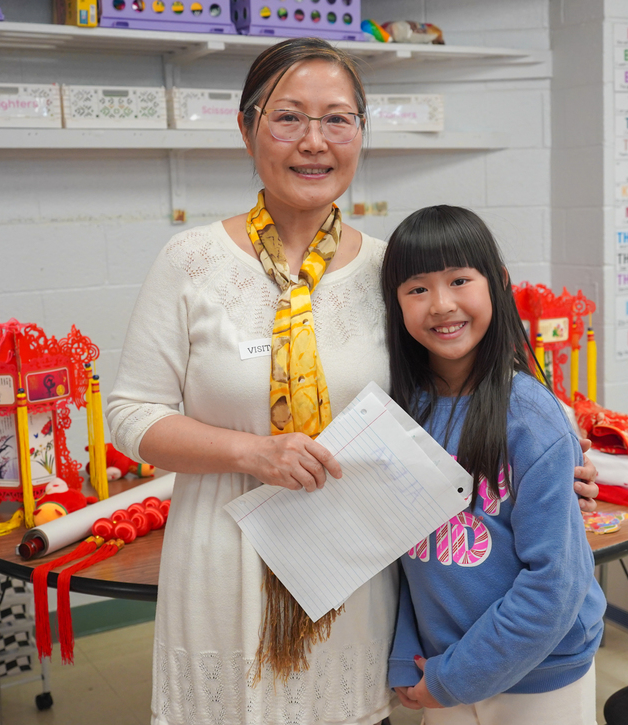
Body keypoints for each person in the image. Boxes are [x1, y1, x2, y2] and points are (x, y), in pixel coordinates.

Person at [106, 37, 599, 725]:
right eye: (289, 118)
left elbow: (457, 393)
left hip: (353, 566)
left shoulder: (391, 270)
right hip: (225, 558)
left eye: (337, 118)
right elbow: (131, 414)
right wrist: (253, 453)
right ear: (248, 128)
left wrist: (554, 461)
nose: (315, 141)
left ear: (361, 135)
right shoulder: (189, 261)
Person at [383, 206, 606, 725]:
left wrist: (451, 679)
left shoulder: (530, 417)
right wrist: (412, 660)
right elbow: (404, 557)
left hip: (539, 674)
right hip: (440, 667)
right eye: (417, 289)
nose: (440, 304)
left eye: (459, 280)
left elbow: (555, 584)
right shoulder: (401, 413)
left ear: (497, 283)